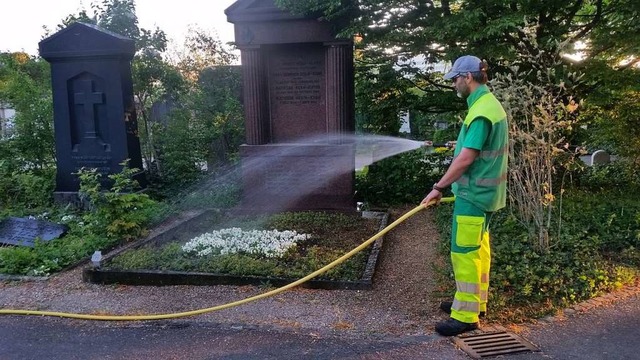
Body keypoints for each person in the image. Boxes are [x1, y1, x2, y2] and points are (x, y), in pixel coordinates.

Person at [421, 55, 509, 336]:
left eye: (456, 79)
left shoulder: (481, 112)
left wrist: (438, 187)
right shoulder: (488, 105)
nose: (454, 85)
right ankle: (474, 303)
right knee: (479, 250)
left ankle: (465, 317)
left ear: (468, 77)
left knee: (464, 254)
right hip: (486, 194)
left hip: (473, 195)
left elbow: (465, 158)